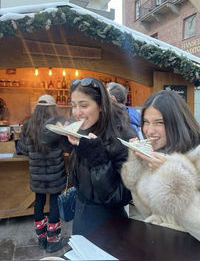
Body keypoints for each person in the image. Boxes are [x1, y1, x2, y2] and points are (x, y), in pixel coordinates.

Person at [121, 90, 200, 245]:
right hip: (162, 247)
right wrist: (139, 166)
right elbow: (147, 212)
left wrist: (173, 181)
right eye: (146, 122)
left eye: (159, 122)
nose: (149, 130)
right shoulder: (158, 156)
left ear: (177, 122)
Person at [42, 78, 136, 236]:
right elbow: (46, 140)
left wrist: (97, 157)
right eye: (73, 105)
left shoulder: (124, 136)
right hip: (81, 217)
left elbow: (120, 197)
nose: (77, 112)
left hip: (109, 223)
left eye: (84, 105)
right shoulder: (81, 131)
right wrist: (55, 128)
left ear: (101, 106)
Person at [16, 94, 66, 253]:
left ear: (37, 108)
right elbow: (66, 147)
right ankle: (53, 239)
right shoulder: (57, 125)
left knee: (38, 201)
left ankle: (42, 238)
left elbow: (22, 149)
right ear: (53, 108)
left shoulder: (28, 125)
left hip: (37, 174)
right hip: (55, 173)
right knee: (54, 202)